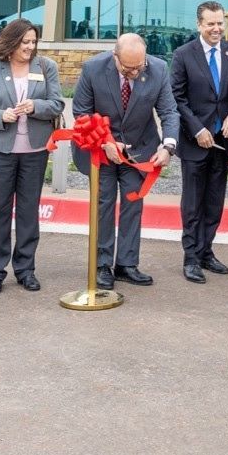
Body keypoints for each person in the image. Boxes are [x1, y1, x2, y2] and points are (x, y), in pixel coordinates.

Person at [71, 33, 178, 290]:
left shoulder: (159, 69)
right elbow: (81, 112)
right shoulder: (93, 68)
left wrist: (169, 146)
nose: (133, 72)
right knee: (104, 202)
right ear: (114, 56)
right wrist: (106, 141)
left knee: (133, 202)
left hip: (139, 148)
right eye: (127, 68)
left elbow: (169, 111)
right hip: (101, 149)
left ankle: (127, 264)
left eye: (138, 67)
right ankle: (101, 265)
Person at [0, 20, 62, 294]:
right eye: (25, 43)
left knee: (28, 211)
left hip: (35, 151)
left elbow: (57, 104)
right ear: (11, 42)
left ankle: (25, 269)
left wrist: (35, 106)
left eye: (34, 42)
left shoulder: (47, 67)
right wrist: (0, 116)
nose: (30, 47)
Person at [170, 1, 228, 282]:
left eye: (220, 23)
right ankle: (190, 257)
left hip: (223, 141)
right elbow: (176, 99)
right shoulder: (183, 55)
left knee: (215, 201)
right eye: (211, 24)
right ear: (199, 25)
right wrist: (197, 129)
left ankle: (206, 251)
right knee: (193, 203)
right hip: (195, 143)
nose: (217, 29)